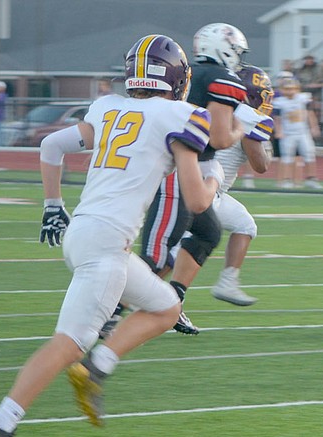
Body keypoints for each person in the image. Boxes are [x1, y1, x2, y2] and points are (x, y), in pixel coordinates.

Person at [0, 34, 218, 437]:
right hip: (108, 244)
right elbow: (197, 203)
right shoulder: (184, 116)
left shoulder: (108, 107)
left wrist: (53, 204)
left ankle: (96, 368)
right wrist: (214, 182)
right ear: (178, 77)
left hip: (84, 232)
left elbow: (52, 145)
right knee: (69, 342)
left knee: (166, 307)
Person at [138, 23, 249, 335]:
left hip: (169, 161)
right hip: (183, 168)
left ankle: (174, 302)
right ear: (224, 47)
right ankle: (112, 309)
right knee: (158, 251)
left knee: (209, 231)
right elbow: (220, 137)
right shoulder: (223, 79)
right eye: (237, 51)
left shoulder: (185, 72)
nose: (238, 58)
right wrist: (241, 127)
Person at [209, 65, 274, 306]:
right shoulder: (248, 117)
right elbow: (261, 166)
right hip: (203, 191)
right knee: (171, 256)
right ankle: (122, 305)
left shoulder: (216, 107)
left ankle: (228, 283)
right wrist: (265, 147)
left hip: (202, 187)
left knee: (245, 225)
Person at [272, 77, 323, 189]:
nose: (290, 91)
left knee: (309, 155)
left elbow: (310, 114)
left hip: (303, 132)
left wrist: (314, 127)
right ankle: (287, 180)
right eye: (287, 89)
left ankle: (311, 179)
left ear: (297, 89)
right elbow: (277, 118)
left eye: (292, 89)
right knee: (287, 157)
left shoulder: (303, 98)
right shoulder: (279, 102)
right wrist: (279, 131)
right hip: (288, 133)